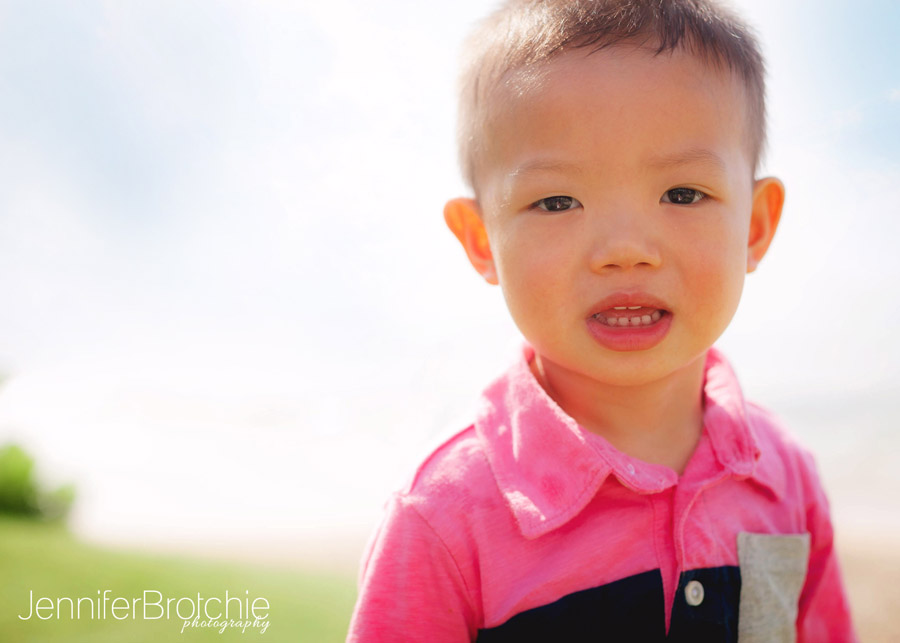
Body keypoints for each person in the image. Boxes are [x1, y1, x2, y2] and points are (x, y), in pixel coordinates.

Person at [348, 0, 857, 640]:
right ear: (481, 240)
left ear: (754, 226)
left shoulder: (784, 477)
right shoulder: (447, 517)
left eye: (682, 193)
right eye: (557, 201)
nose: (624, 248)